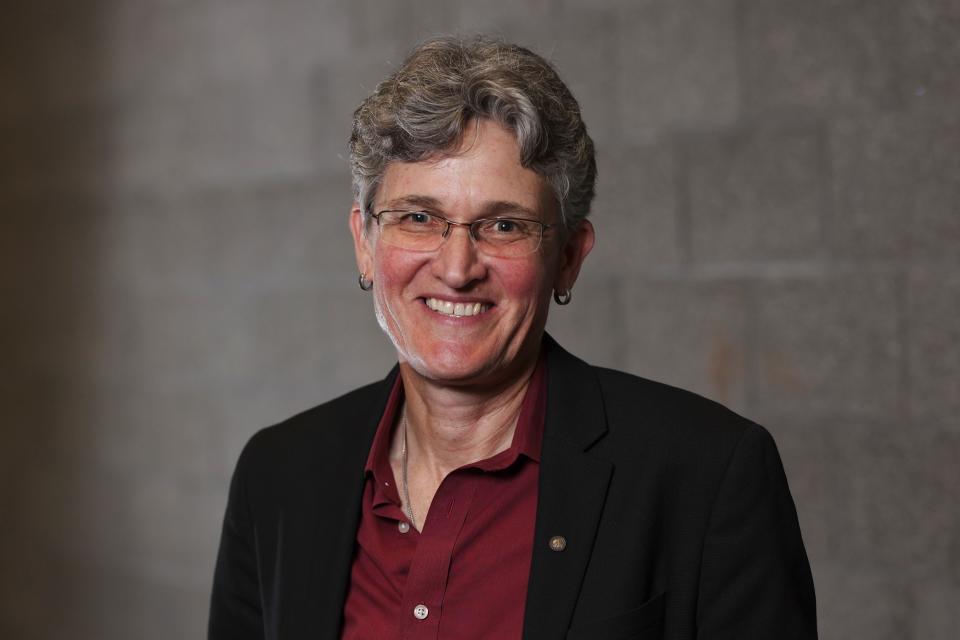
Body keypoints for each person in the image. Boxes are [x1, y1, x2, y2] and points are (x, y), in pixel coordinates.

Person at [209, 36, 817, 640]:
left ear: (569, 258)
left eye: (504, 225)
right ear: (365, 244)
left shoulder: (706, 474)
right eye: (418, 217)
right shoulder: (278, 475)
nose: (457, 267)